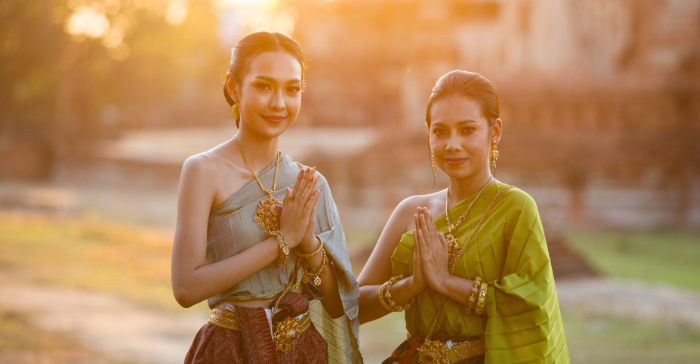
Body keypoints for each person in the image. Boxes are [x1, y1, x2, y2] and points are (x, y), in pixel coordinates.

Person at [171, 32, 362, 364]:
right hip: (230, 351)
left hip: (303, 352)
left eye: (292, 89)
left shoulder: (309, 183)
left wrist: (309, 244)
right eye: (264, 86)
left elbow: (336, 304)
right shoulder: (204, 171)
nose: (279, 103)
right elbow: (185, 288)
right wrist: (282, 241)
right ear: (233, 87)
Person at [358, 70, 570, 364]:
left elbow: (530, 305)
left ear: (494, 131)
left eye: (467, 130)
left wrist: (444, 281)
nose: (452, 144)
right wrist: (412, 285)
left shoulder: (515, 208)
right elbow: (352, 306)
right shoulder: (411, 212)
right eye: (440, 131)